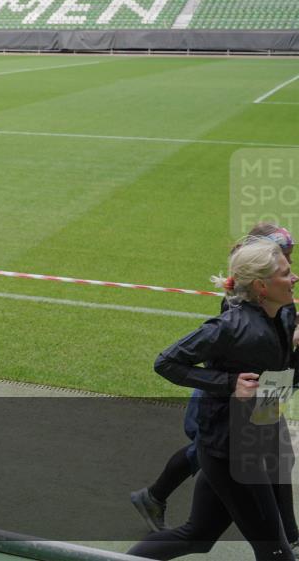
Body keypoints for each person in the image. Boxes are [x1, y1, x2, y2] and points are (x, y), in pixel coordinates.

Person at [128, 236, 298, 560]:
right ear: (261, 287)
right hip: (230, 454)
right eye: (286, 273)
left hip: (248, 442)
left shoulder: (285, 317)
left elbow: (283, 382)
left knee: (197, 536)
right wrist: (229, 382)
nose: (295, 278)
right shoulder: (230, 327)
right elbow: (166, 363)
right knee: (276, 553)